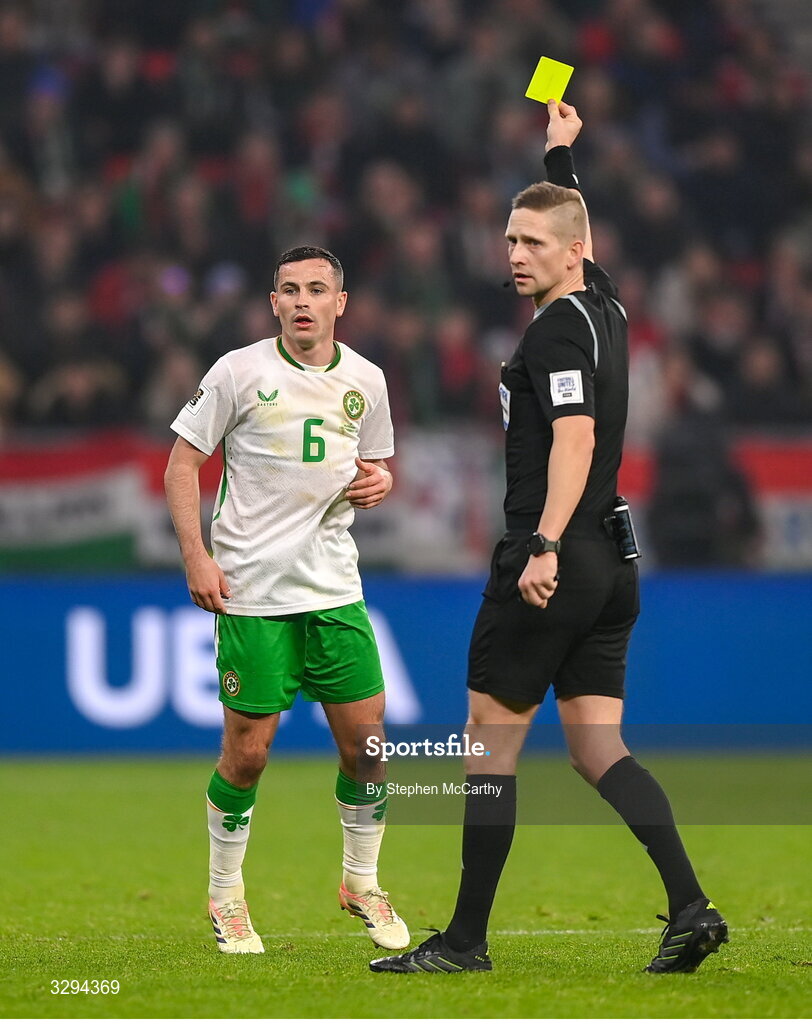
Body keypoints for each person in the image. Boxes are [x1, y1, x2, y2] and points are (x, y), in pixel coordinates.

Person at [370, 103, 727, 975]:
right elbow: (581, 232)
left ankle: (463, 943)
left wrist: (541, 545)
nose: (516, 254)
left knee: (488, 742)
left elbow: (573, 438)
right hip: (615, 561)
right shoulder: (604, 303)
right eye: (509, 240)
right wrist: (561, 154)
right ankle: (690, 907)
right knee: (596, 747)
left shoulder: (558, 328)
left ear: (566, 254)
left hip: (559, 556)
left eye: (532, 242)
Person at [164, 244, 409, 954]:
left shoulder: (366, 379)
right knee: (249, 756)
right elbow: (182, 464)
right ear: (273, 303)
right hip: (252, 592)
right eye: (289, 290)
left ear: (341, 302)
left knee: (368, 749)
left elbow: (375, 465)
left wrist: (382, 482)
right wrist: (196, 556)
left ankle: (360, 882)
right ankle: (225, 897)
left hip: (334, 589)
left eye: (316, 289)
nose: (303, 301)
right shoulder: (238, 372)